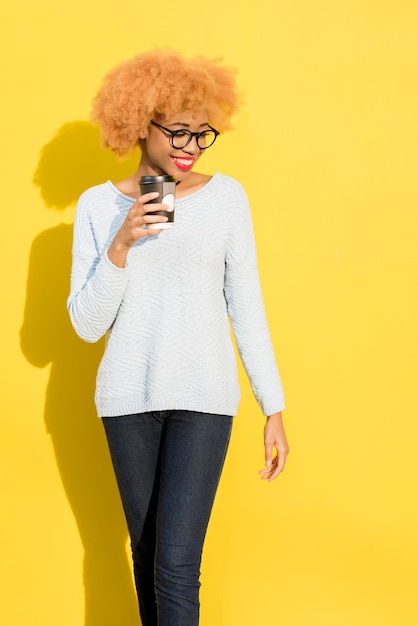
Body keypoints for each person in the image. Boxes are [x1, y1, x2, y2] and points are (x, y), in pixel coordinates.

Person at [67, 49, 289, 626]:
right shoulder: (98, 207)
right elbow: (87, 326)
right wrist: (121, 245)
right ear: (140, 124)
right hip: (127, 402)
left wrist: (274, 405)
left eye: (203, 134)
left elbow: (248, 307)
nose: (191, 147)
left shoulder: (226, 200)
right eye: (179, 133)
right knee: (146, 556)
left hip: (203, 401)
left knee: (176, 564)